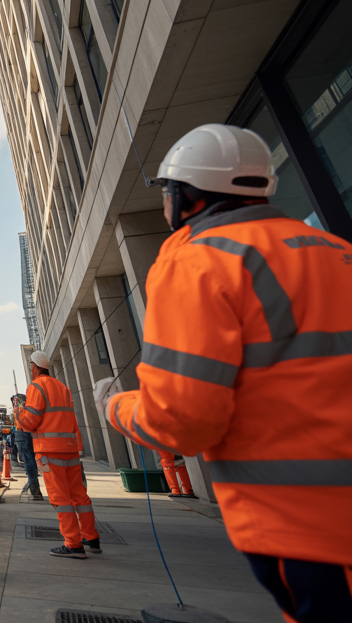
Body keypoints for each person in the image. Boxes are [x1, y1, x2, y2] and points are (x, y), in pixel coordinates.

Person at [97, 124, 352, 622]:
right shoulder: (335, 249)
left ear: (185, 196)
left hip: (309, 522)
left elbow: (180, 421)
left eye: (167, 192)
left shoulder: (198, 260)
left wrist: (114, 405)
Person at [18, 350, 100, 558]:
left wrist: (18, 412)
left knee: (61, 498)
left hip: (49, 450)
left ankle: (73, 544)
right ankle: (91, 537)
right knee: (79, 495)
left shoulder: (36, 386)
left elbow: (31, 421)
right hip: (69, 448)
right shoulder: (62, 387)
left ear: (34, 367)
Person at [13, 395, 43, 502]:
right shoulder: (30, 408)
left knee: (29, 463)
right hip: (33, 434)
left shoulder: (19, 409)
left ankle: (34, 487)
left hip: (22, 434)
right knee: (34, 461)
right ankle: (33, 486)